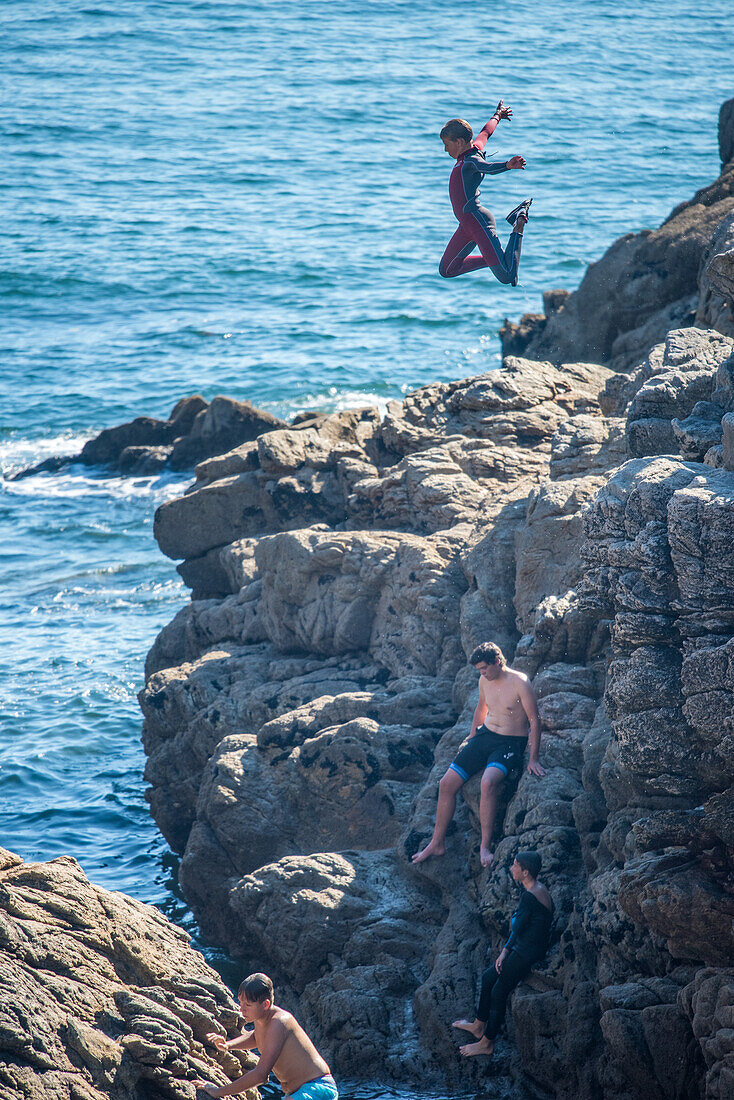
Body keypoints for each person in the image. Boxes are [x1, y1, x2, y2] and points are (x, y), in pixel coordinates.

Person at [412, 642, 545, 868]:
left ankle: (485, 846)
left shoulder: (520, 682)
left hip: (511, 742)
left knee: (487, 783)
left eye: (484, 668)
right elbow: (481, 709)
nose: (482, 673)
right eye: (479, 670)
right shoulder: (485, 680)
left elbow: (535, 720)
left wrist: (533, 758)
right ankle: (437, 842)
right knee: (446, 784)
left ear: (498, 662)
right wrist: (472, 737)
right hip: (486, 736)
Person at [453, 850, 553, 1057]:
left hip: (528, 952)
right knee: (488, 977)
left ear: (525, 872)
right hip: (524, 945)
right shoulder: (538, 888)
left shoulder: (530, 895)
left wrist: (506, 951)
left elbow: (516, 926)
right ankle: (478, 1025)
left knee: (499, 991)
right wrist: (507, 949)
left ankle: (486, 1043)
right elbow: (523, 927)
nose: (511, 868)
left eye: (515, 865)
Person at [193, 973, 338, 1099]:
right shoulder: (262, 1020)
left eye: (248, 1005)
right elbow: (257, 1037)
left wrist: (218, 1091)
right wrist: (228, 1045)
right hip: (297, 1092)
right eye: (240, 1002)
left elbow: (261, 1075)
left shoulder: (279, 1022)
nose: (241, 1008)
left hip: (317, 1088)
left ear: (266, 1004)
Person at [438, 101, 531, 287]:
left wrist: (507, 165)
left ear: (459, 142)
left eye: (447, 145)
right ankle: (495, 259)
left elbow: (486, 168)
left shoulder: (470, 161)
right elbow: (486, 132)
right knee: (447, 269)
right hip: (466, 225)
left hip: (479, 222)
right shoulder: (474, 150)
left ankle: (518, 220)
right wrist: (497, 115)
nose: (445, 149)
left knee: (507, 276)